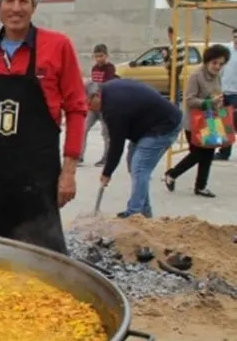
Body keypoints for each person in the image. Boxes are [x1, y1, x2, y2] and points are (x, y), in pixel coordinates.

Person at [0, 0, 86, 254]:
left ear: (34, 6)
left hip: (39, 174)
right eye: (9, 1)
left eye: (23, 1)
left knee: (45, 252)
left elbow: (77, 108)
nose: (16, 8)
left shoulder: (58, 45)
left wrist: (69, 172)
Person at [88, 80, 182, 219]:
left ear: (96, 96)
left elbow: (116, 145)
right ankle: (144, 212)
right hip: (147, 126)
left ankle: (134, 214)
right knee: (133, 163)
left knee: (139, 167)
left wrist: (107, 172)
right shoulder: (108, 89)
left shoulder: (112, 108)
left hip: (165, 125)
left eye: (87, 104)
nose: (88, 109)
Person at [164, 44, 230, 198]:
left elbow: (217, 95)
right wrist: (208, 102)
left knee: (208, 153)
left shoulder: (217, 75)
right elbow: (189, 100)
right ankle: (171, 174)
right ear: (207, 61)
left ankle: (200, 186)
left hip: (212, 120)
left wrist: (221, 110)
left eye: (221, 63)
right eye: (215, 63)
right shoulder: (196, 76)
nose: (217, 66)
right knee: (197, 154)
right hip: (195, 122)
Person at [81, 43, 118, 166]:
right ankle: (80, 156)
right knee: (83, 129)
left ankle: (106, 158)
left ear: (106, 55)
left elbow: (107, 86)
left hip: (104, 106)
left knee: (105, 133)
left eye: (101, 56)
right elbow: (92, 86)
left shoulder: (109, 68)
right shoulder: (94, 68)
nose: (98, 59)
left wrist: (96, 92)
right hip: (93, 106)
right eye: (96, 56)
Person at [215, 28, 237, 161]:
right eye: (235, 37)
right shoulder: (226, 50)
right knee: (224, 122)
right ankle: (224, 152)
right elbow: (219, 70)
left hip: (235, 94)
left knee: (232, 122)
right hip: (223, 93)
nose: (236, 40)